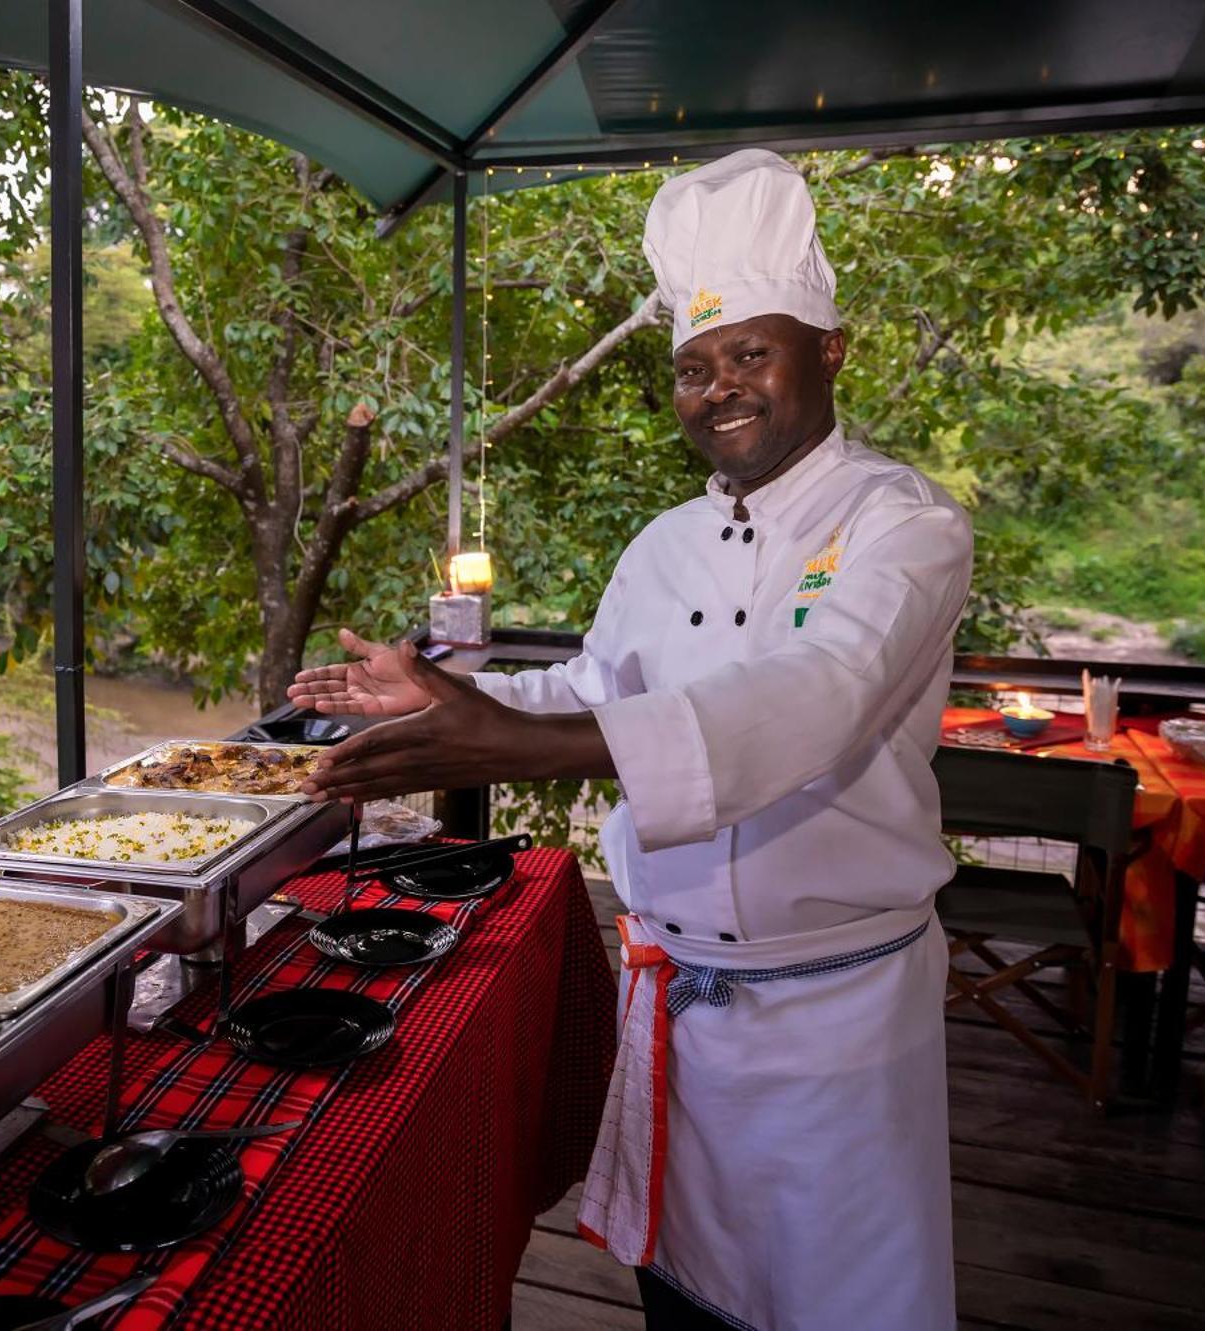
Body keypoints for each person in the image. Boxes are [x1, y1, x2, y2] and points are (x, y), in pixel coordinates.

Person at [288, 149, 970, 1331]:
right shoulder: (660, 545)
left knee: (838, 1302)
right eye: (693, 367)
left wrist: (508, 747)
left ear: (828, 351)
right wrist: (453, 698)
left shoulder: (901, 522)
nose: (719, 388)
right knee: (684, 1301)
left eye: (749, 352)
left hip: (833, 1024)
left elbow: (823, 693)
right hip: (680, 1014)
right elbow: (592, 685)